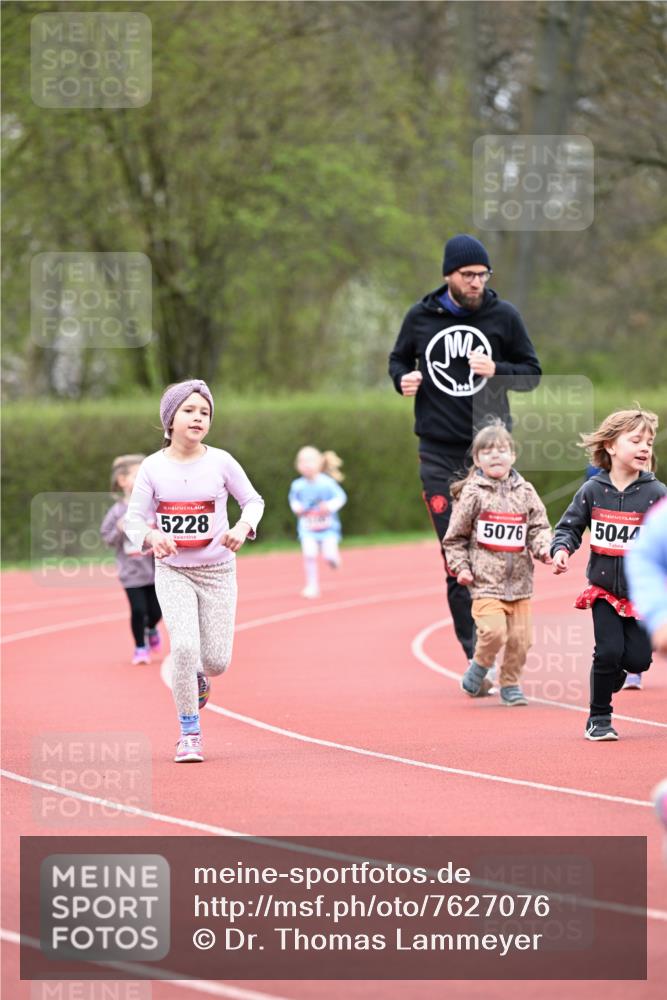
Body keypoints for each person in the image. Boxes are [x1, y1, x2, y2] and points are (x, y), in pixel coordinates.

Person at [388, 234, 541, 664]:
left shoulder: (503, 316)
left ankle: (497, 638)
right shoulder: (420, 317)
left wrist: (498, 370)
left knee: (498, 551)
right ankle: (476, 650)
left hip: (491, 455)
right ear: (448, 276)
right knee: (456, 555)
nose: (476, 282)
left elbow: (532, 373)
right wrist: (402, 380)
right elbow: (398, 360)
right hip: (438, 453)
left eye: (482, 275)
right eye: (468, 275)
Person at [125, 379, 264, 763]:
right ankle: (189, 733)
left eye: (204, 412)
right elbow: (132, 520)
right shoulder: (153, 468)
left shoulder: (221, 461)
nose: (198, 417)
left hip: (218, 570)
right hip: (173, 572)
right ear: (170, 420)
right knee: (184, 647)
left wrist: (242, 527)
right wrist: (153, 535)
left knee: (216, 661)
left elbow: (253, 500)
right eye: (189, 410)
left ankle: (198, 675)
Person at [551, 408, 667, 741]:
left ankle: (613, 674)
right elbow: (570, 526)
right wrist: (561, 549)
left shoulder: (656, 493)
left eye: (649, 441)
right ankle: (599, 718)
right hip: (604, 590)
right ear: (611, 446)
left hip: (643, 595)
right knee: (607, 652)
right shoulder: (592, 489)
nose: (645, 447)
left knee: (639, 660)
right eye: (636, 440)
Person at [443, 423, 552, 705]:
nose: (496, 456)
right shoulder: (473, 493)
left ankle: (510, 683)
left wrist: (544, 549)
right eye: (487, 452)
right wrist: (462, 568)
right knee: (493, 631)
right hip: (484, 582)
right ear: (477, 460)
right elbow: (454, 538)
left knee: (521, 640)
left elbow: (538, 527)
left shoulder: (526, 490)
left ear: (513, 456)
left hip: (520, 582)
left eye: (502, 450)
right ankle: (480, 665)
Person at [100, 454, 162, 665]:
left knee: (156, 611)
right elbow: (106, 537)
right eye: (138, 475)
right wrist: (118, 529)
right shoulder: (117, 511)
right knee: (138, 610)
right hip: (131, 573)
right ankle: (140, 648)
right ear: (123, 481)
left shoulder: (152, 507)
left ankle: (151, 628)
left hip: (155, 570)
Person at [289, 446, 347, 598]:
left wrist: (329, 506)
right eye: (302, 461)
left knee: (329, 556)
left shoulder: (327, 483)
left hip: (328, 528)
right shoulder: (297, 485)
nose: (306, 465)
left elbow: (341, 497)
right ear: (297, 465)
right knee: (309, 555)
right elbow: (293, 501)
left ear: (320, 464)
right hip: (307, 528)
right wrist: (297, 508)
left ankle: (333, 559)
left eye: (310, 461)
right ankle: (312, 586)